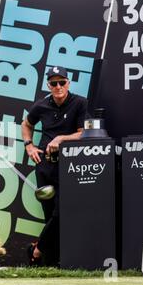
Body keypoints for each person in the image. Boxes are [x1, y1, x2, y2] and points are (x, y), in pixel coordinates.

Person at [21, 66, 88, 267]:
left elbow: (83, 133)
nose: (58, 86)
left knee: (62, 213)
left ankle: (37, 251)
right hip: (44, 167)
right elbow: (26, 124)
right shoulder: (41, 105)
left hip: (68, 167)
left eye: (62, 82)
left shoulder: (79, 103)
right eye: (53, 83)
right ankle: (55, 260)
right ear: (48, 85)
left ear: (68, 83)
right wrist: (29, 145)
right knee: (49, 215)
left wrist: (61, 139)